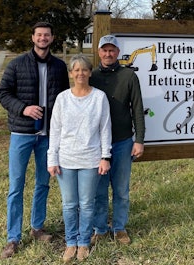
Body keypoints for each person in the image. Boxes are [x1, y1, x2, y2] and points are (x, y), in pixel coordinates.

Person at [0, 21, 70, 259]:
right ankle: (13, 238)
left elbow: (65, 99)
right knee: (16, 186)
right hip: (21, 133)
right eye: (39, 35)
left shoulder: (59, 67)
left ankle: (37, 227)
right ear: (33, 38)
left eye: (47, 35)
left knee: (43, 183)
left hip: (48, 135)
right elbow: (4, 94)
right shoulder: (17, 64)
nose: (43, 38)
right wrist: (23, 109)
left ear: (52, 38)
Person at [47, 54, 112, 262]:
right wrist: (52, 159)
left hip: (91, 159)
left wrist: (105, 156)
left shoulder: (99, 97)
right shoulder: (63, 98)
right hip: (65, 159)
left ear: (90, 72)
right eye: (76, 70)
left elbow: (105, 129)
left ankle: (84, 242)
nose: (80, 73)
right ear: (71, 74)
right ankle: (70, 242)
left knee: (86, 204)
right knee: (68, 204)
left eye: (84, 69)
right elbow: (55, 130)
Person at [89, 35, 145, 245]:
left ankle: (119, 227)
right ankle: (100, 228)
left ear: (118, 52)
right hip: (97, 144)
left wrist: (139, 139)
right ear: (99, 51)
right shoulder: (91, 76)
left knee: (121, 190)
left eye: (112, 50)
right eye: (104, 50)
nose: (108, 54)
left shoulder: (129, 76)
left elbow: (137, 109)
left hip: (122, 142)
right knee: (99, 190)